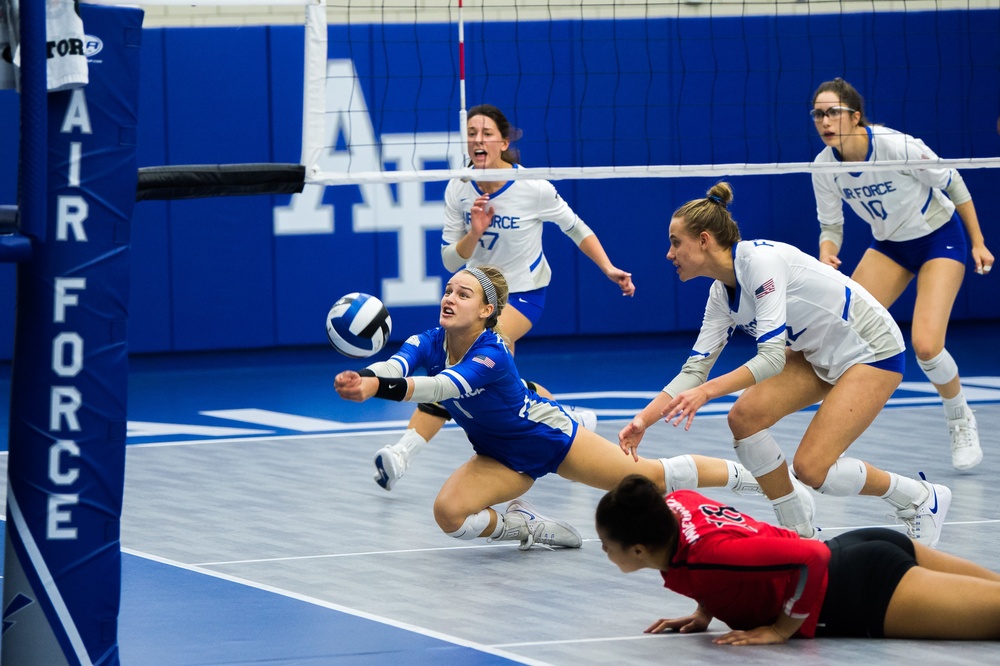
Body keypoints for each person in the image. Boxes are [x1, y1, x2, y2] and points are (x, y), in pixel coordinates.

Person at [336, 266, 779, 551]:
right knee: (448, 515)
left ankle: (758, 478)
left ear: (488, 310)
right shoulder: (428, 340)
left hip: (551, 440)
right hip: (498, 456)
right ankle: (528, 527)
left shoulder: (491, 354)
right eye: (448, 290)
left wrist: (377, 387)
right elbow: (395, 365)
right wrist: (365, 378)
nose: (449, 298)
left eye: (463, 294)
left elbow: (439, 386)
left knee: (651, 480)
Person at [618, 182, 950, 547]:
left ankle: (920, 498)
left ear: (704, 240)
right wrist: (643, 420)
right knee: (744, 418)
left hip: (870, 349)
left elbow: (772, 358)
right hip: (817, 352)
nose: (669, 254)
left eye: (675, 242)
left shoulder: (760, 263)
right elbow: (694, 371)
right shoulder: (720, 294)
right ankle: (801, 534)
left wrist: (707, 392)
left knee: (813, 469)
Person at [370, 103, 636, 491]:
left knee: (460, 364)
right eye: (472, 133)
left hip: (523, 295)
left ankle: (403, 453)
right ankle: (570, 419)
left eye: (486, 133)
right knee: (494, 378)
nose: (478, 139)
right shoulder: (458, 188)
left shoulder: (533, 188)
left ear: (503, 141)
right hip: (479, 293)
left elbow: (576, 228)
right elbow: (449, 259)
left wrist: (608, 267)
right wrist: (474, 231)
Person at [810, 77, 994, 472]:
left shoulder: (898, 147)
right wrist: (827, 254)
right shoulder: (823, 167)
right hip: (890, 247)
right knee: (843, 328)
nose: (824, 121)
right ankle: (833, 436)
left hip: (939, 239)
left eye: (832, 113)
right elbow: (831, 227)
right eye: (818, 114)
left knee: (926, 346)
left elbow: (955, 184)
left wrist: (978, 242)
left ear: (855, 117)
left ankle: (959, 417)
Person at [596, 475, 1000, 643]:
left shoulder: (708, 555)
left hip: (865, 591)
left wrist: (781, 630)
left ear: (637, 549)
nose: (602, 551)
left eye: (606, 544)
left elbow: (812, 555)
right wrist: (706, 611)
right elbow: (719, 547)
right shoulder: (675, 506)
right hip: (862, 549)